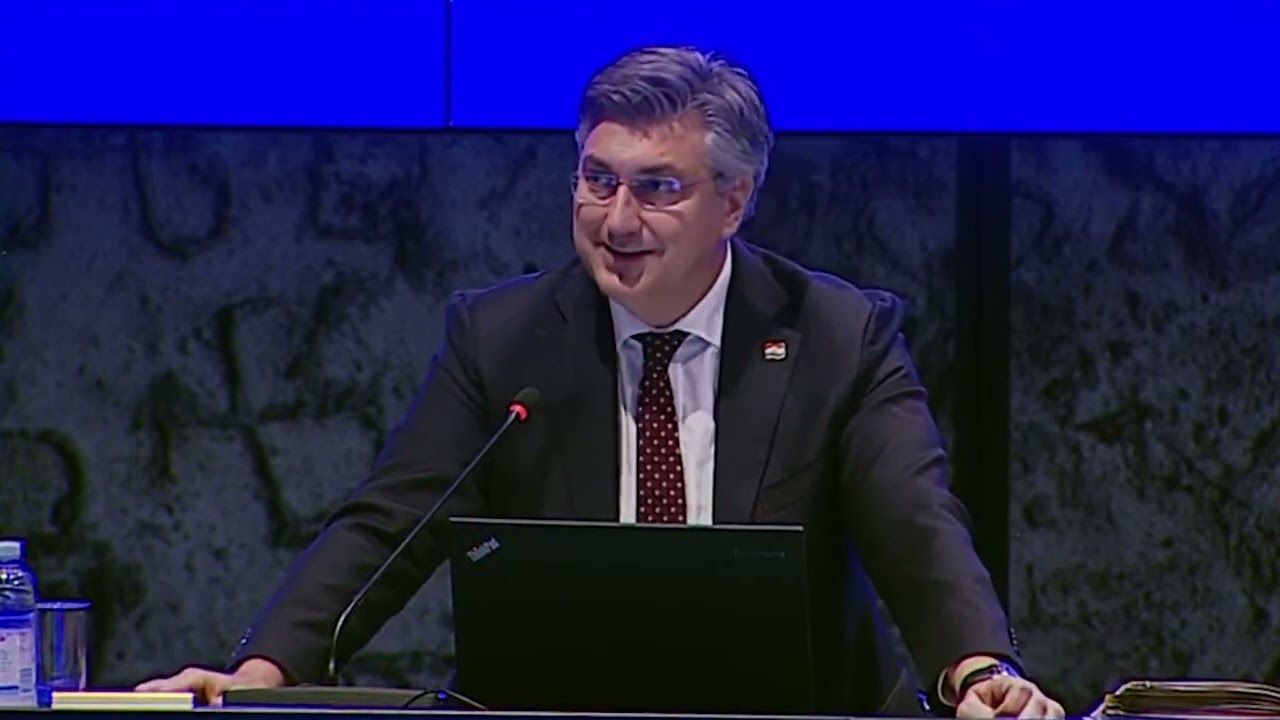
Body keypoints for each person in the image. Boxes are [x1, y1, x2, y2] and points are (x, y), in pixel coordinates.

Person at [138, 45, 1064, 718]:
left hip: (798, 716)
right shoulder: (502, 337)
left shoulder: (836, 334)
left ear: (734, 201)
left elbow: (914, 522)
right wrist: (261, 677)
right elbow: (389, 526)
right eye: (597, 180)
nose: (617, 220)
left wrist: (977, 668)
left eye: (658, 188)